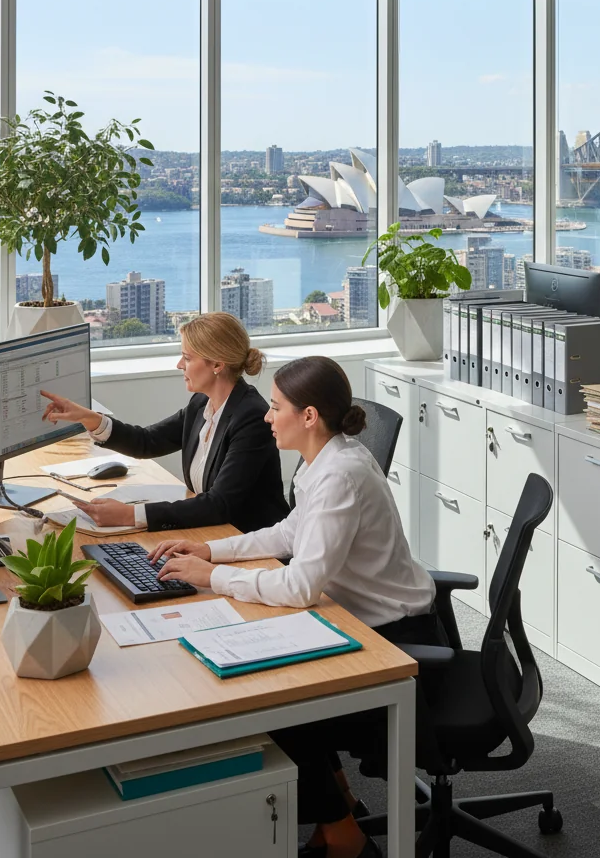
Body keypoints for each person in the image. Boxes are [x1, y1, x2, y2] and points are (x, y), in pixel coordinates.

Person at [151, 356, 442, 858]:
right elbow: (290, 533)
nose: (266, 416)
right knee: (266, 677)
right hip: (357, 617)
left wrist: (214, 578)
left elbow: (302, 585)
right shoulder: (324, 460)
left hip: (397, 640)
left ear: (308, 416)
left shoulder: (339, 476)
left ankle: (345, 837)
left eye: (276, 407)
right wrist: (210, 550)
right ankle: (339, 811)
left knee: (275, 701)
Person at [41, 312, 288, 534]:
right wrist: (89, 417)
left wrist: (130, 515)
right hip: (213, 534)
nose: (179, 365)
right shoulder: (202, 403)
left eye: (187, 358)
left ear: (217, 364)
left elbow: (218, 504)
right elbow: (148, 442)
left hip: (253, 545)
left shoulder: (251, 417)